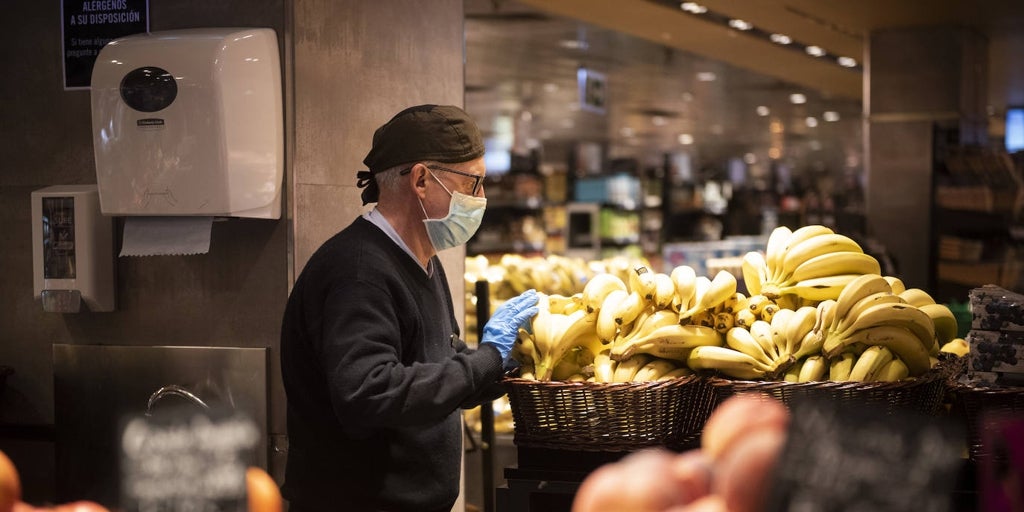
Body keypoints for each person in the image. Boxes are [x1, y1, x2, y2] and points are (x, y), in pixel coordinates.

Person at [279, 104, 539, 512]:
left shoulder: (421, 261)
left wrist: (508, 364)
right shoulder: (359, 271)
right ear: (421, 180)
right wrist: (486, 359)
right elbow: (371, 392)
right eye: (473, 184)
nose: (481, 199)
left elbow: (437, 371)